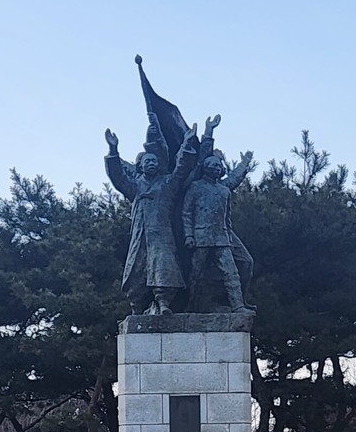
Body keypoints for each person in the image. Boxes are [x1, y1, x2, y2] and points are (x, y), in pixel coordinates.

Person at [104, 115, 197, 315]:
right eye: (147, 161)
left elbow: (181, 169)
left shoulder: (167, 183)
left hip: (161, 236)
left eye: (154, 160)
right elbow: (118, 177)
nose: (151, 163)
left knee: (164, 267)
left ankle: (164, 303)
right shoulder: (135, 186)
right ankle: (136, 309)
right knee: (136, 271)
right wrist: (113, 150)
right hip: (140, 236)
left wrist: (187, 145)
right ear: (141, 166)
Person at [182, 138, 254, 314]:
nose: (219, 168)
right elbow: (186, 213)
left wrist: (244, 163)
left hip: (222, 237)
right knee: (196, 274)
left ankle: (238, 305)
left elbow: (227, 218)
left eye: (220, 166)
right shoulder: (195, 187)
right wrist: (188, 235)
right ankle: (191, 305)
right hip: (201, 238)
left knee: (232, 272)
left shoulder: (224, 190)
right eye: (215, 165)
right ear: (206, 168)